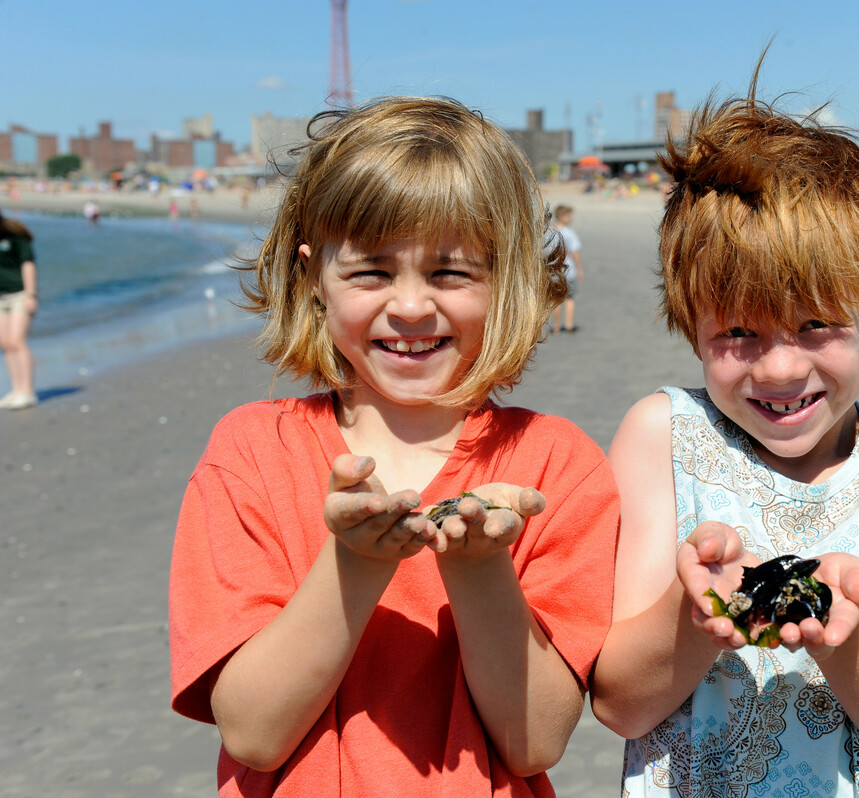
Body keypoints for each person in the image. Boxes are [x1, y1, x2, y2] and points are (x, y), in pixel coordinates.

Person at [168, 97, 621, 797]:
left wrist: (478, 567)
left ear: (509, 279)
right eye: (372, 272)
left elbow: (534, 741)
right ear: (313, 277)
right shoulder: (252, 452)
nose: (410, 306)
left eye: (450, 272)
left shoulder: (555, 462)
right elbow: (254, 732)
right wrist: (354, 561)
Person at [590, 74, 859, 797]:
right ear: (692, 328)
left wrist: (844, 635)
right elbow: (621, 704)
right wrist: (696, 618)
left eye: (816, 326)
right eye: (738, 331)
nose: (778, 367)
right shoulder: (663, 435)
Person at [0, 211, 38, 410]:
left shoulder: (15, 237)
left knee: (16, 340)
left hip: (20, 295)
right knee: (5, 343)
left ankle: (28, 391)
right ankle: (16, 390)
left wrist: (31, 294)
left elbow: (28, 264)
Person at [549, 204, 582, 334]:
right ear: (562, 217)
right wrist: (579, 268)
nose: (571, 218)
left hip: (554, 270)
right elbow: (574, 252)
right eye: (569, 215)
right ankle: (569, 325)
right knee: (570, 298)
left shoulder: (550, 232)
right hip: (569, 270)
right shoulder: (569, 233)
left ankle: (556, 327)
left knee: (556, 300)